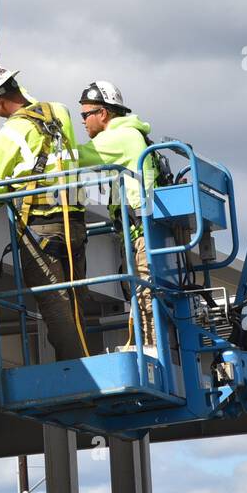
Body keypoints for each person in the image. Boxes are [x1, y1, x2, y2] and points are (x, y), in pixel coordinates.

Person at [0, 65, 90, 360]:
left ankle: (78, 373)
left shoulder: (6, 136)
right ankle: (88, 359)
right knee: (76, 302)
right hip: (75, 224)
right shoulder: (60, 112)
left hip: (41, 230)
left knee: (56, 305)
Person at [74, 81, 163, 349]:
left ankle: (150, 353)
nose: (83, 122)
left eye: (85, 115)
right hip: (144, 229)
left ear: (103, 113)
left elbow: (73, 159)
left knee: (146, 295)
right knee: (145, 294)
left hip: (142, 232)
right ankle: (151, 349)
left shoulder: (117, 137)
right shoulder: (131, 135)